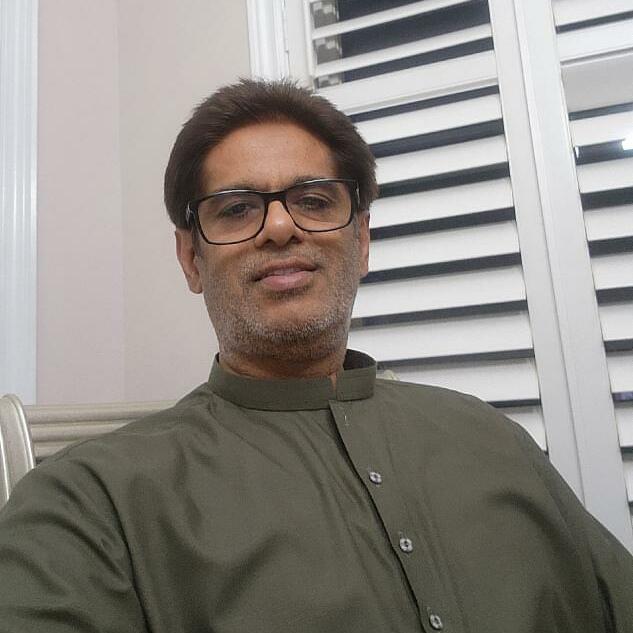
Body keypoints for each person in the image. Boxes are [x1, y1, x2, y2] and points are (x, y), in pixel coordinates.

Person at [0, 79, 631, 633]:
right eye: (238, 208)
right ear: (191, 259)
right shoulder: (88, 504)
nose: (281, 228)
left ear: (362, 242)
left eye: (313, 201)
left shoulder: (493, 439)